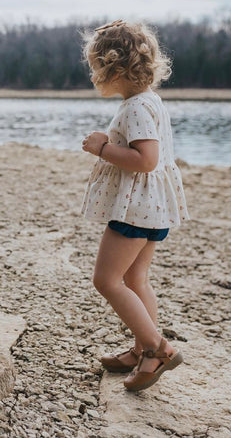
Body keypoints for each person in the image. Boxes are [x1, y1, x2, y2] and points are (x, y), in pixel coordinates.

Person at [81, 19, 190, 392]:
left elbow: (146, 160)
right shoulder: (149, 101)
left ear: (113, 67)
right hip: (154, 208)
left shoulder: (134, 109)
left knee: (106, 280)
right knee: (135, 279)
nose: (93, 74)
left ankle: (158, 349)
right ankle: (142, 348)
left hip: (136, 211)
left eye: (96, 66)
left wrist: (102, 148)